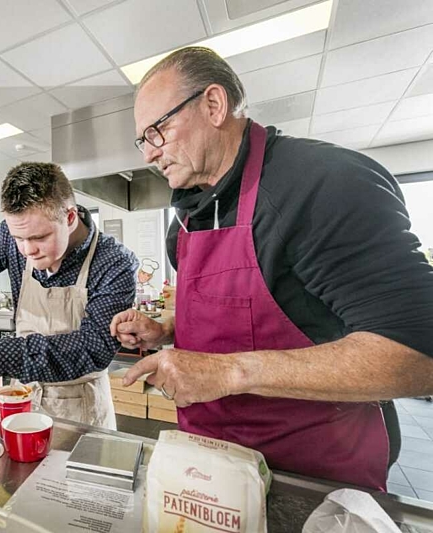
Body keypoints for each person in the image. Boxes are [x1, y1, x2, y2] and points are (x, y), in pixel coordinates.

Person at [110, 46, 433, 490]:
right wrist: (166, 326)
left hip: (312, 474)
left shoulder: (322, 184)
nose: (149, 154)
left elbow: (417, 354)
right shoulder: (187, 215)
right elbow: (258, 311)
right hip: (212, 464)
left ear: (213, 105)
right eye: (142, 140)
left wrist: (229, 372)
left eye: (156, 131)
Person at [0, 162, 138, 430]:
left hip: (81, 408)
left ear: (70, 217)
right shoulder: (10, 237)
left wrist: (1, 355)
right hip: (23, 398)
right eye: (19, 238)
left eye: (40, 237)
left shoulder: (114, 262)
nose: (28, 250)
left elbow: (92, 347)